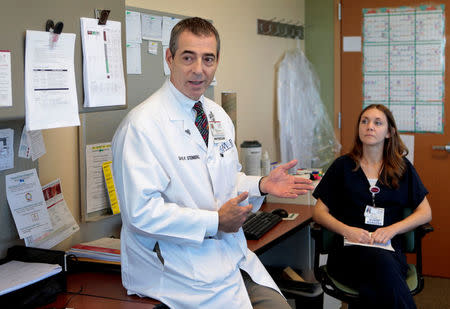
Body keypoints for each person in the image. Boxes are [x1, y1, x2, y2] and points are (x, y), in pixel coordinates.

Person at [112, 17, 314, 309]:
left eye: (208, 59)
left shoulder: (217, 115)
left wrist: (260, 184)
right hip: (175, 274)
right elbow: (140, 214)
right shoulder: (142, 126)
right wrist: (215, 221)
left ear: (217, 61)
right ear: (169, 59)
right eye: (188, 57)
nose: (198, 70)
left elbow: (227, 180)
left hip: (228, 261)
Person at [312, 104, 432, 309]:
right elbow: (319, 212)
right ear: (359, 128)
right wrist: (347, 230)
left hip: (389, 250)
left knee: (380, 272)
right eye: (364, 121)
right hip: (348, 254)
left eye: (378, 123)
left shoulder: (402, 169)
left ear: (389, 132)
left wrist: (392, 229)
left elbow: (425, 212)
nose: (370, 126)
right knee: (382, 273)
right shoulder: (342, 167)